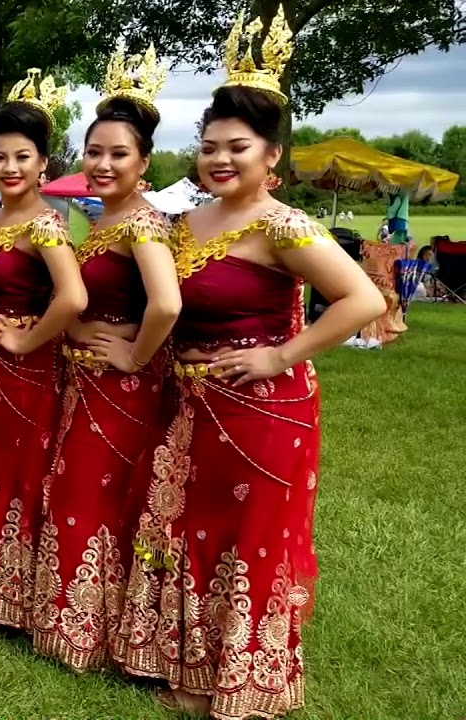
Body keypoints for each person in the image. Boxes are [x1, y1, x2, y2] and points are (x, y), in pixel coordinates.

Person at [113, 9, 385, 717]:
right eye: (209, 147)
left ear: (272, 157)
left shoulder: (284, 226)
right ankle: (183, 663)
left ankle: (241, 681)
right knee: (188, 528)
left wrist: (281, 353)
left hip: (264, 407)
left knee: (251, 539)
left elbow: (362, 300)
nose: (219, 159)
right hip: (189, 403)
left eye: (238, 147)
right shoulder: (186, 222)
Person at [30, 45, 179, 672]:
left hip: (119, 391)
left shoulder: (142, 225)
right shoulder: (109, 223)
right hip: (91, 385)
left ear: (143, 163)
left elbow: (166, 303)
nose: (103, 163)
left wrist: (132, 355)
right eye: (95, 151)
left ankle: (87, 636)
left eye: (119, 154)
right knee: (85, 494)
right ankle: (82, 627)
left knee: (93, 496)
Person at [0, 69, 86, 628]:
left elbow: (72, 296)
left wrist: (27, 337)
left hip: (26, 368)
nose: (9, 168)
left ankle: (14, 595)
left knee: (22, 470)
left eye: (22, 157)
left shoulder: (46, 225)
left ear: (43, 164)